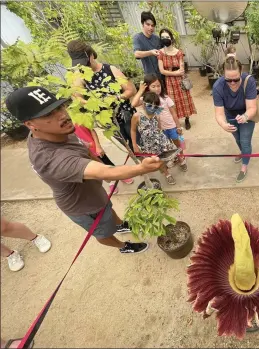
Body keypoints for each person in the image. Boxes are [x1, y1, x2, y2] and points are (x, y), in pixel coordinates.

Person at [6, 86, 162, 254]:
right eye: (48, 114)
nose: (62, 115)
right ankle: (123, 247)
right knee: (103, 232)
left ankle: (120, 225)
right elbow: (105, 172)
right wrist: (141, 168)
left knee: (108, 211)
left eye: (59, 107)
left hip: (94, 193)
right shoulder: (50, 158)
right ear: (30, 124)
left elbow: (85, 149)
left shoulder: (59, 131)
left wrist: (100, 165)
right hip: (83, 206)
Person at [67, 40, 138, 152]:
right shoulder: (80, 77)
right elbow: (77, 98)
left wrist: (116, 98)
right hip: (108, 121)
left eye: (84, 62)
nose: (83, 66)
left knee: (139, 142)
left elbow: (131, 90)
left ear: (91, 55)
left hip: (126, 115)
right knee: (129, 148)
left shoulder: (110, 70)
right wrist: (93, 103)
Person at [213, 56, 257, 183]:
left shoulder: (249, 81)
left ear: (241, 72)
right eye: (228, 80)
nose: (232, 83)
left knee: (245, 140)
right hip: (230, 115)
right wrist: (223, 124)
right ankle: (244, 153)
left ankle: (244, 167)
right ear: (223, 75)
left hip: (247, 114)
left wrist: (245, 117)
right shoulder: (218, 87)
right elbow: (219, 113)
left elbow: (252, 107)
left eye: (236, 79)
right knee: (237, 138)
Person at [131, 74, 187, 171]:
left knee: (177, 144)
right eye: (153, 86)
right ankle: (172, 159)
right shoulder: (146, 100)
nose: (157, 89)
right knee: (167, 146)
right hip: (160, 130)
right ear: (147, 87)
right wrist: (140, 90)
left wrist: (178, 127)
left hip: (171, 126)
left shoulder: (165, 98)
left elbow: (174, 113)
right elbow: (133, 104)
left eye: (158, 86)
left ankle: (181, 158)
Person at [131, 92, 179, 185]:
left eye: (155, 106)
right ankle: (166, 174)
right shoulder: (137, 116)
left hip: (160, 141)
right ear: (144, 104)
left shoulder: (157, 113)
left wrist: (165, 139)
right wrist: (134, 145)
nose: (153, 108)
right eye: (150, 105)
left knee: (165, 157)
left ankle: (166, 169)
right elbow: (133, 130)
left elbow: (159, 127)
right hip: (149, 144)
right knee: (157, 160)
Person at [74, 124, 134, 194]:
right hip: (83, 153)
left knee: (107, 163)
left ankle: (120, 176)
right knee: (99, 169)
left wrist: (98, 146)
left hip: (94, 149)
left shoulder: (79, 119)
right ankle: (112, 182)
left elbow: (92, 131)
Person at [158, 28, 197, 130]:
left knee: (184, 99)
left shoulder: (179, 52)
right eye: (162, 37)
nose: (165, 39)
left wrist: (172, 72)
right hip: (169, 82)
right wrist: (175, 72)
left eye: (167, 37)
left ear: (171, 38)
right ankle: (175, 121)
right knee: (172, 102)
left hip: (180, 81)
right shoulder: (161, 53)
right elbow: (161, 71)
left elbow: (182, 69)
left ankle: (187, 118)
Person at [133, 11, 162, 77]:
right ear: (143, 24)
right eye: (148, 24)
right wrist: (151, 52)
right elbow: (136, 54)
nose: (150, 28)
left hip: (161, 73)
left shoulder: (157, 38)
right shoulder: (138, 38)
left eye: (152, 25)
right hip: (150, 76)